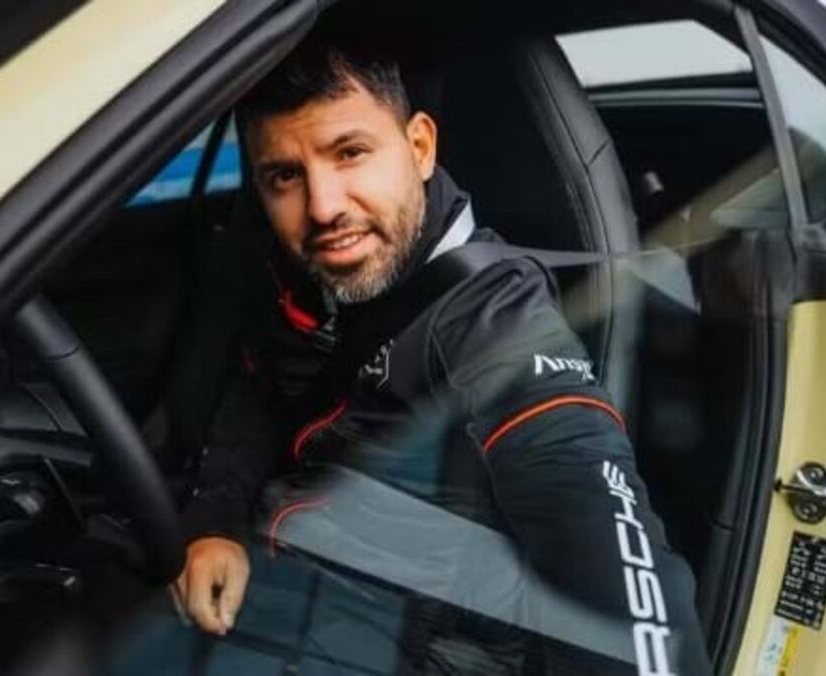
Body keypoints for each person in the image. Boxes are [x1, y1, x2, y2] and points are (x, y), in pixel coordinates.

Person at [171, 31, 711, 675]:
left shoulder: (495, 325)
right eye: (285, 175)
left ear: (420, 148)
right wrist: (214, 520)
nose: (323, 207)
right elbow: (262, 386)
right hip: (287, 593)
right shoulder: (312, 271)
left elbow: (633, 609)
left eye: (350, 153)